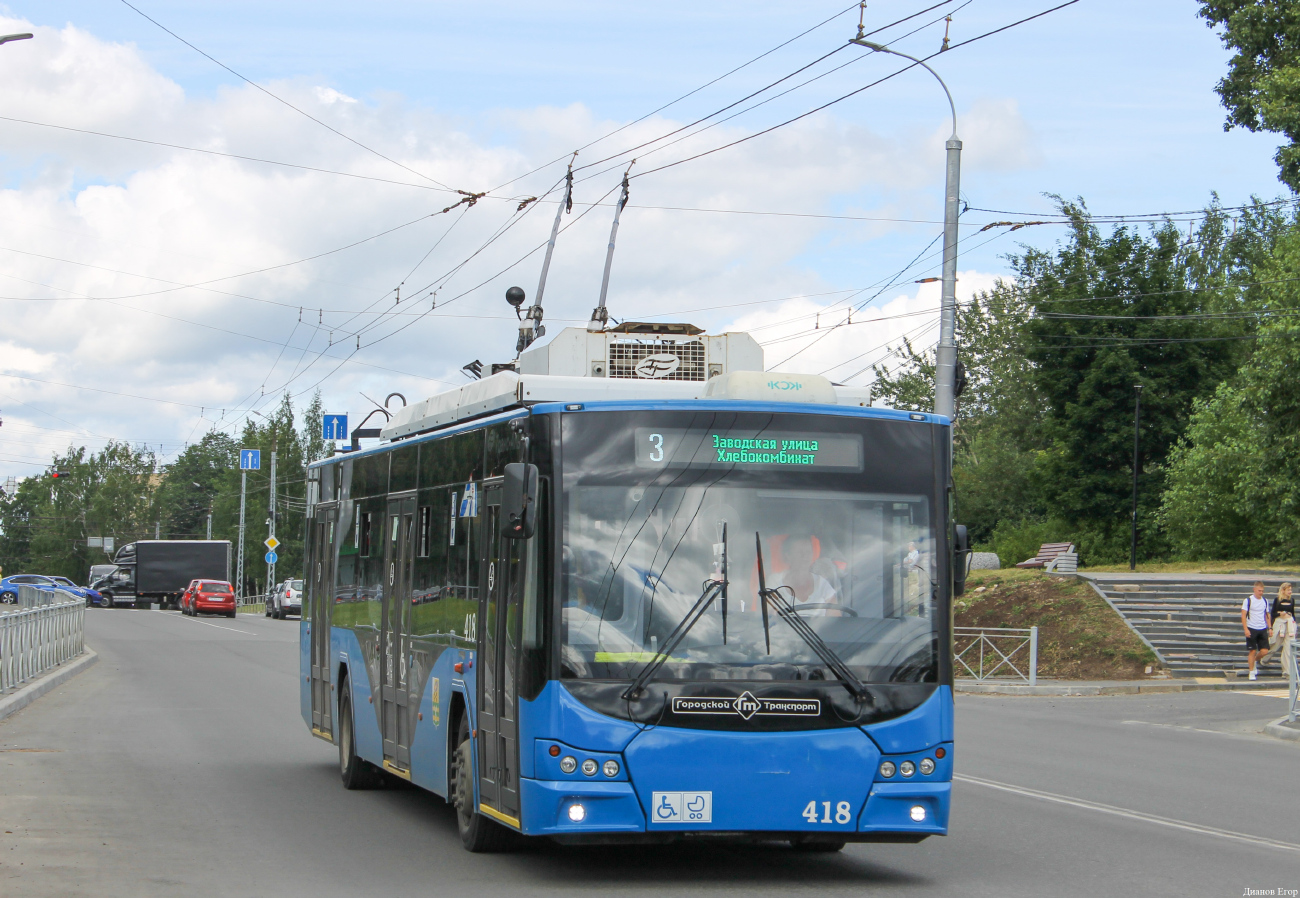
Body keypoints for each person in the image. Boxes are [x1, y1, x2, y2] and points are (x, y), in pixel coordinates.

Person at [769, 535, 838, 615]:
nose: (805, 556)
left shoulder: (822, 583)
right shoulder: (775, 581)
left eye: (808, 552)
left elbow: (835, 620)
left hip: (817, 628)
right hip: (785, 627)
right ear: (788, 556)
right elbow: (768, 615)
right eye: (800, 552)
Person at [1270, 586, 1297, 717]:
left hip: (1289, 624)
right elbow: (1273, 613)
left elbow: (1293, 613)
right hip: (1279, 623)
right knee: (1274, 645)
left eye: (1291, 589)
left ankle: (1286, 671)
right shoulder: (1277, 600)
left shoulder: (1292, 600)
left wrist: (1294, 622)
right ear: (1283, 590)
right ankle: (1264, 659)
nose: (1290, 592)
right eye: (1288, 590)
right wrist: (1279, 615)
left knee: (1287, 649)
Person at [1241, 581, 1273, 680]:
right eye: (1259, 590)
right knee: (1252, 650)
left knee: (1264, 651)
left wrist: (1270, 627)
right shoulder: (1248, 600)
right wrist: (1246, 629)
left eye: (1262, 591)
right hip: (1251, 627)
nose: (1261, 592)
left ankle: (1254, 661)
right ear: (1254, 589)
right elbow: (1243, 615)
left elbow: (1267, 615)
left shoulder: (1265, 601)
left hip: (1262, 628)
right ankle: (1251, 672)